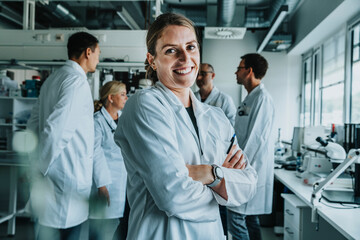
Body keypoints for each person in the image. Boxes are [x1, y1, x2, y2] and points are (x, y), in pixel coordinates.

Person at [114, 13, 258, 240]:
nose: (185, 58)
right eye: (171, 50)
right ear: (152, 60)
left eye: (190, 47)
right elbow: (173, 195)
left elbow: (248, 186)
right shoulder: (144, 105)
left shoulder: (217, 117)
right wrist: (222, 187)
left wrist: (209, 173)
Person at [26, 32, 100, 240]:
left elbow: (33, 123)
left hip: (54, 176)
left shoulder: (53, 79)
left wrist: (34, 163)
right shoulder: (76, 82)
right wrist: (39, 168)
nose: (98, 59)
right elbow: (56, 130)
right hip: (67, 178)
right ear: (88, 52)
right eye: (98, 53)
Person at [227, 53, 275, 240]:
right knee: (250, 219)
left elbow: (256, 139)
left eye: (239, 68)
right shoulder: (250, 98)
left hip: (250, 169)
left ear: (249, 71)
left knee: (236, 218)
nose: (236, 72)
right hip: (246, 167)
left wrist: (238, 168)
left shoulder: (262, 98)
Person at [89, 81, 129, 240]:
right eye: (122, 94)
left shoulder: (124, 118)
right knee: (100, 226)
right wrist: (102, 184)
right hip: (106, 180)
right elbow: (94, 153)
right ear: (111, 98)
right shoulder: (97, 121)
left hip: (124, 180)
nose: (126, 97)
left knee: (122, 225)